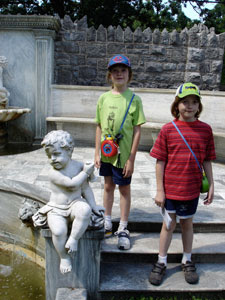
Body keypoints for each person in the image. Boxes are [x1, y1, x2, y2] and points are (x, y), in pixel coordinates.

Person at [149, 82, 216, 285]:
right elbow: (160, 161)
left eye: (194, 102)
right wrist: (160, 191)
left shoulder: (205, 130)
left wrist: (211, 184)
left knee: (187, 224)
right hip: (170, 190)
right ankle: (161, 261)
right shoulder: (168, 130)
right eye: (185, 102)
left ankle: (187, 259)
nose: (189, 106)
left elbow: (207, 159)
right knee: (168, 225)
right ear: (176, 105)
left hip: (191, 189)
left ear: (199, 106)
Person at [94, 54, 146, 250]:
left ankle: (123, 227)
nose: (119, 74)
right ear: (109, 75)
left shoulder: (134, 99)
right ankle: (107, 221)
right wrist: (96, 153)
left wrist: (131, 158)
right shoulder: (103, 98)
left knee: (124, 189)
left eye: (123, 70)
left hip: (123, 155)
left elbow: (137, 130)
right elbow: (99, 126)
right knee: (108, 186)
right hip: (107, 153)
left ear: (129, 74)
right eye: (115, 71)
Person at [33, 130, 102, 274]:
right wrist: (86, 173)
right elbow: (72, 185)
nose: (53, 159)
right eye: (49, 156)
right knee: (58, 231)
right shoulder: (53, 173)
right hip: (56, 208)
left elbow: (85, 188)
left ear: (69, 151)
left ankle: (73, 239)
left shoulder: (78, 166)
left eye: (57, 154)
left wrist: (93, 205)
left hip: (75, 203)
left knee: (85, 210)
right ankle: (64, 257)